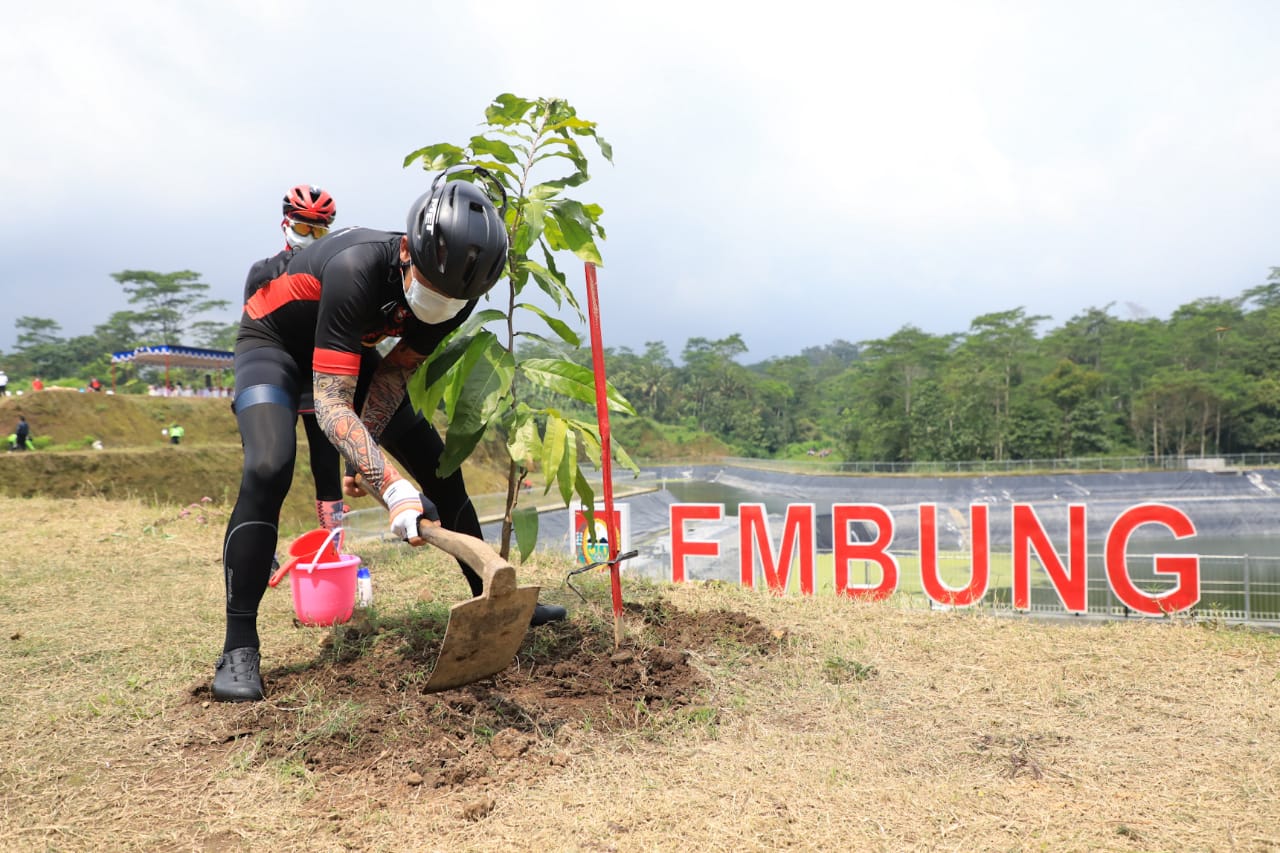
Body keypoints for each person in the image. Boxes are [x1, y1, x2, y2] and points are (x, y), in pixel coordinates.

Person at [215, 169, 563, 703]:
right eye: (432, 291)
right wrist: (393, 488)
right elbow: (330, 404)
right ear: (409, 253)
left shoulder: (460, 289)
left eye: (453, 300)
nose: (440, 305)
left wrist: (367, 459)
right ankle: (239, 645)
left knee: (439, 463)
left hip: (348, 352)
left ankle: (493, 597)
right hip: (275, 346)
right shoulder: (358, 265)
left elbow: (395, 373)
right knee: (269, 466)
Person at [243, 183, 345, 530]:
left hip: (320, 379)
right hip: (278, 378)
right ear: (286, 223)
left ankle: (333, 545)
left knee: (328, 467)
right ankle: (259, 543)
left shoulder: (337, 271)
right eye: (304, 227)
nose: (312, 236)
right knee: (271, 463)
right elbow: (254, 332)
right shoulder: (263, 271)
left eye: (319, 229)